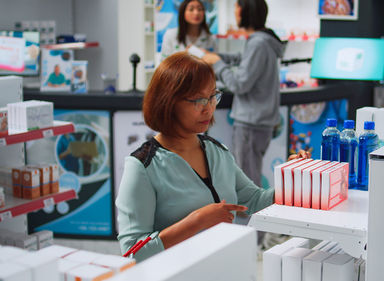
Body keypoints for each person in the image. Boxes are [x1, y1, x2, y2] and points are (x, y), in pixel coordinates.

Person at [115, 52, 309, 262]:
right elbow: (132, 252)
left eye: (212, 97)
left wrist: (292, 179)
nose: (208, 108)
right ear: (168, 102)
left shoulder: (216, 151)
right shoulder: (143, 166)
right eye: (197, 100)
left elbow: (253, 200)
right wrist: (196, 221)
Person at [202, 0, 284, 187]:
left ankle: (251, 217)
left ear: (246, 11)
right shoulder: (264, 41)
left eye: (237, 7)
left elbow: (239, 84)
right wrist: (218, 57)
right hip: (259, 123)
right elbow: (243, 60)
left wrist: (217, 64)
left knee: (247, 183)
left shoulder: (258, 44)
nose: (235, 12)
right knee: (250, 176)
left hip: (251, 124)